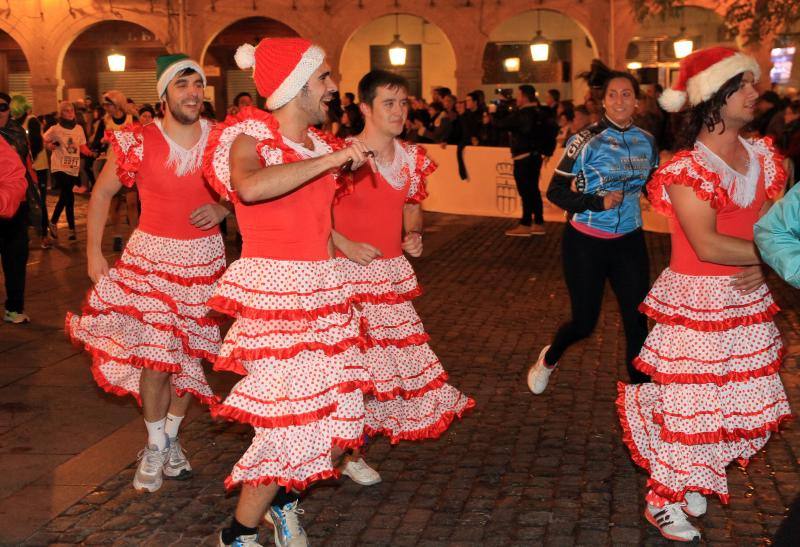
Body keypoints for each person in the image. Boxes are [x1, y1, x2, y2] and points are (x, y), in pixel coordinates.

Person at [617, 47, 791, 542]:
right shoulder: (687, 168)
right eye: (744, 86)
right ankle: (662, 498)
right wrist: (769, 260)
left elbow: (770, 227)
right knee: (693, 407)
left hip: (746, 300)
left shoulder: (762, 156)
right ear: (713, 97)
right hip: (698, 303)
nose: (755, 93)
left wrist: (766, 264)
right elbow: (708, 242)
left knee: (741, 407)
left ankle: (690, 472)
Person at [205, 37, 373, 547]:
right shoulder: (249, 136)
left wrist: (342, 241)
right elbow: (251, 188)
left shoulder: (318, 145)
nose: (332, 86)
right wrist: (332, 160)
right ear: (295, 85)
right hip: (275, 297)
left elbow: (312, 216)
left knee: (324, 415)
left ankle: (282, 506)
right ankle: (236, 534)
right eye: (323, 77)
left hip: (322, 291)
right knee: (286, 423)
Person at [66, 54, 229, 494]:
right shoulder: (138, 141)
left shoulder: (223, 141)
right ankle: (155, 446)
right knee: (157, 361)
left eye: (196, 84)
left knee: (188, 358)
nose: (193, 92)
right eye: (181, 85)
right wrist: (93, 254)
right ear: (163, 95)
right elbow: (101, 194)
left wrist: (223, 207)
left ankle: (171, 441)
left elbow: (253, 190)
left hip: (205, 261)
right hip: (151, 261)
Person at [331, 69, 474, 485]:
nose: (398, 111)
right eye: (388, 103)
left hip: (390, 277)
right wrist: (345, 244)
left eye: (403, 103)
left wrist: (413, 234)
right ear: (365, 108)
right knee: (351, 371)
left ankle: (351, 449)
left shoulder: (411, 158)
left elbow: (412, 205)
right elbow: (311, 217)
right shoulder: (341, 155)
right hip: (344, 276)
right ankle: (325, 457)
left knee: (381, 371)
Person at [527, 66, 657, 395]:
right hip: (585, 242)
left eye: (626, 94)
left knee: (637, 322)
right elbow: (555, 191)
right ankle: (549, 358)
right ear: (603, 101)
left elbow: (652, 188)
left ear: (637, 102)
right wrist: (595, 202)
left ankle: (641, 403)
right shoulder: (584, 140)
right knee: (584, 323)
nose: (619, 100)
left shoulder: (648, 143)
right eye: (612, 94)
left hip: (630, 242)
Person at [492, 84, 558, 236]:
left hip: (523, 157)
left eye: (519, 95)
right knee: (533, 189)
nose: (517, 99)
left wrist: (497, 112)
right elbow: (552, 130)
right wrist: (547, 151)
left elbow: (500, 124)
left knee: (526, 191)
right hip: (535, 156)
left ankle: (526, 223)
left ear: (525, 97)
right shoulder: (541, 112)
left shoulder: (523, 114)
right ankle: (539, 222)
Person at [92, 90, 137, 251]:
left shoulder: (132, 118)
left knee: (132, 202)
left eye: (108, 104)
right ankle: (117, 235)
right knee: (116, 203)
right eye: (104, 104)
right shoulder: (105, 121)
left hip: (131, 164)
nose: (105, 107)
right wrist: (102, 141)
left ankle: (134, 236)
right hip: (113, 165)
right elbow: (96, 142)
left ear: (117, 103)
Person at [44, 101, 93, 242]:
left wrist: (90, 153)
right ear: (61, 113)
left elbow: (82, 146)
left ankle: (55, 223)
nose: (70, 112)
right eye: (66, 110)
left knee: (67, 196)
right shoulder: (55, 129)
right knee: (67, 193)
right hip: (58, 166)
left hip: (72, 166)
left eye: (71, 110)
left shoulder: (79, 129)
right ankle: (70, 229)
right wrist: (50, 145)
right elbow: (44, 140)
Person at [0, 136, 30, 324]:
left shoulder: (15, 132)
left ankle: (14, 307)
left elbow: (15, 177)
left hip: (11, 216)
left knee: (15, 260)